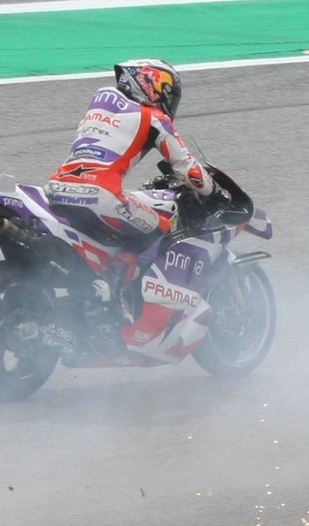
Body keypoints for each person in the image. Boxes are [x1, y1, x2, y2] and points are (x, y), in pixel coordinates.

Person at [46, 59, 219, 351]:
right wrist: (212, 190)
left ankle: (89, 283)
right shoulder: (155, 118)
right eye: (169, 93)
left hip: (58, 189)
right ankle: (111, 292)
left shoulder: (101, 100)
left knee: (120, 226)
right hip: (100, 194)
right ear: (155, 87)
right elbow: (187, 168)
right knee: (163, 225)